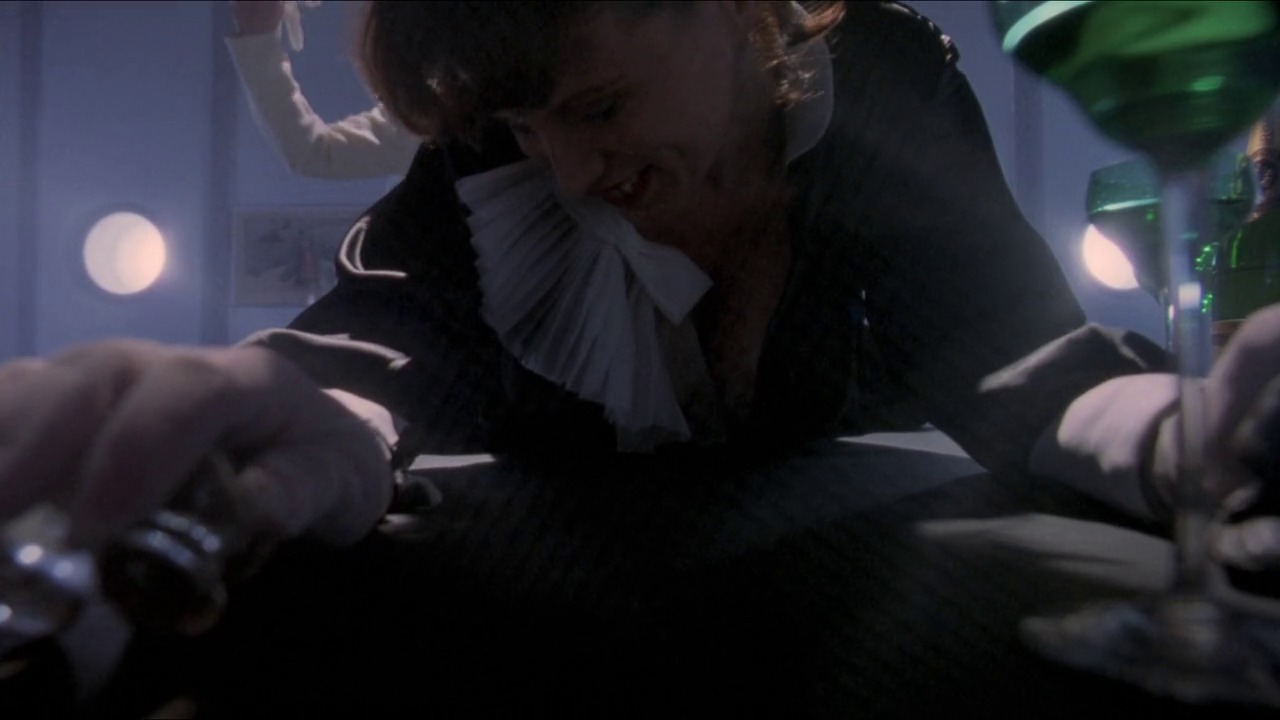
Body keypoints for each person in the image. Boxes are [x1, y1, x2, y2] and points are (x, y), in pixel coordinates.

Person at [2, 0, 1279, 624]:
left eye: (598, 109)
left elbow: (1014, 357)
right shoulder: (491, 157)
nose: (564, 170)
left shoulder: (883, 85)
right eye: (526, 126)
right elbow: (381, 338)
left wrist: (1186, 437)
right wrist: (277, 418)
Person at [225, 0, 420, 179]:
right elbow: (316, 153)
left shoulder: (422, 125)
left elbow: (314, 154)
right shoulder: (418, 127)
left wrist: (259, 42)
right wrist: (259, 42)